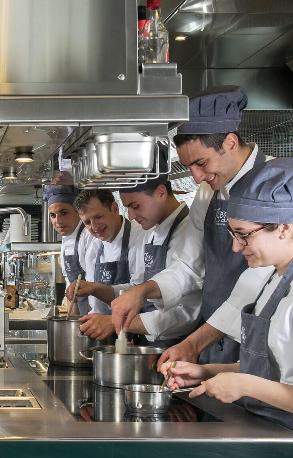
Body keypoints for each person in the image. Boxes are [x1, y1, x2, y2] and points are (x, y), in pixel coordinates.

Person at [164, 157, 293, 458]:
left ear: (282, 228)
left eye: (243, 235)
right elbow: (275, 367)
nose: (236, 247)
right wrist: (207, 371)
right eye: (234, 234)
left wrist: (244, 386)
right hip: (270, 447)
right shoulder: (274, 278)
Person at [111, 86, 273, 364]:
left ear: (230, 142)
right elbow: (190, 264)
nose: (197, 177)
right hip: (214, 340)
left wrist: (194, 343)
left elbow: (259, 283)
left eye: (201, 163)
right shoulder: (209, 192)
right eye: (190, 167)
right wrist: (143, 290)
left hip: (261, 342)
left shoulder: (277, 187)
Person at [79, 171, 201, 346]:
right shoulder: (154, 232)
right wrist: (96, 288)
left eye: (135, 206)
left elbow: (186, 313)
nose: (130, 216)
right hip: (154, 344)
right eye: (127, 207)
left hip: (179, 347)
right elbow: (137, 288)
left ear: (161, 192)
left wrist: (115, 322)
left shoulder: (189, 232)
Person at [67, 190, 146, 339]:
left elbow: (141, 292)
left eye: (98, 217)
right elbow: (96, 308)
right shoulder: (94, 248)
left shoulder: (140, 237)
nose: (94, 226)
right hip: (108, 337)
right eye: (87, 222)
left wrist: (95, 288)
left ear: (114, 209)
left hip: (139, 334)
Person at [44, 184, 96, 316]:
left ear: (78, 211)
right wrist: (72, 323)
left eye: (64, 213)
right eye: (53, 215)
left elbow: (95, 286)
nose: (58, 221)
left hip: (97, 315)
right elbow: (70, 286)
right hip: (83, 317)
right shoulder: (66, 239)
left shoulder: (88, 236)